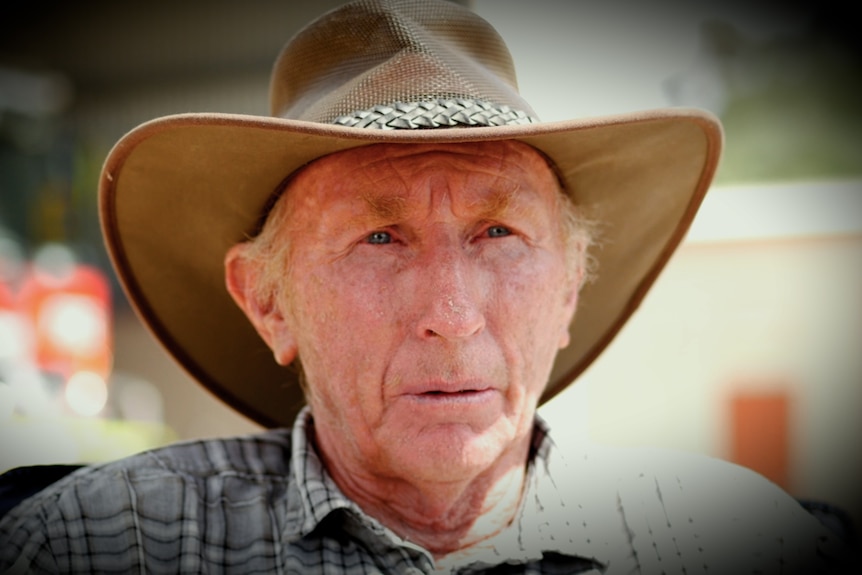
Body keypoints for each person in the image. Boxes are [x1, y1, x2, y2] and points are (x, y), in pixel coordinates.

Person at [0, 1, 854, 573]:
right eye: (379, 237)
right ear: (267, 300)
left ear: (569, 290)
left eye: (499, 233)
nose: (451, 314)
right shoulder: (104, 542)